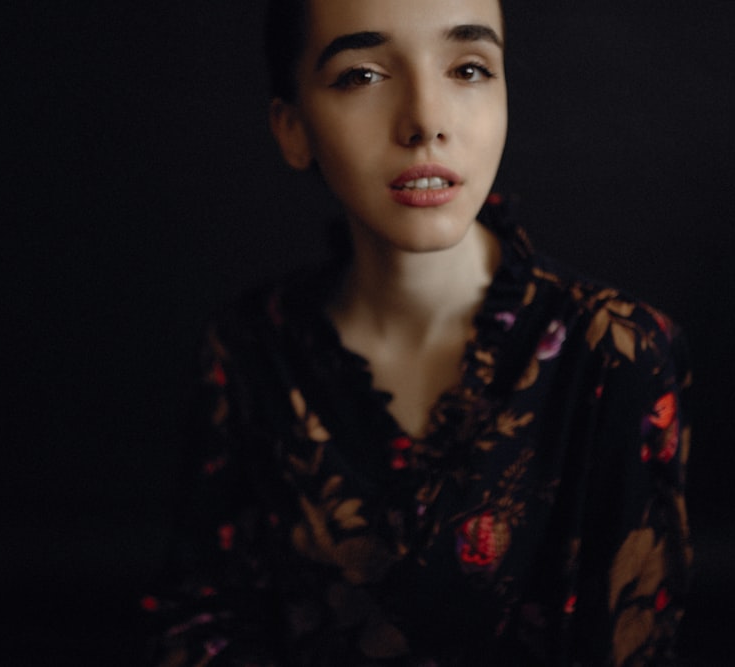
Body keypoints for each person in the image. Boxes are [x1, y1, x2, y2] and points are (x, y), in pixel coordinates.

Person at [143, 0, 692, 664]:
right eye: (362, 76)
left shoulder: (615, 353)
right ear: (293, 129)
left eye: (468, 68)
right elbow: (198, 625)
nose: (426, 122)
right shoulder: (250, 349)